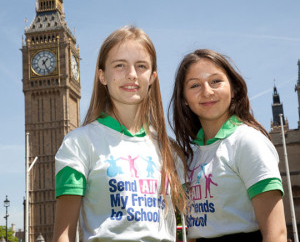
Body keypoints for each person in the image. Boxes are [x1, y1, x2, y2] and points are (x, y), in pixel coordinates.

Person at [53, 25, 186, 242]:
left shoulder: (169, 149)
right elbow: (63, 235)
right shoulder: (78, 144)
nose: (131, 74)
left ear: (152, 77)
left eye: (141, 66)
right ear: (102, 76)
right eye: (120, 65)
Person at [168, 49, 287, 242]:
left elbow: (277, 234)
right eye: (195, 85)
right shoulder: (191, 155)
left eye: (216, 81)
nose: (207, 91)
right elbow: (199, 228)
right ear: (184, 100)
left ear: (233, 89)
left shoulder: (248, 141)